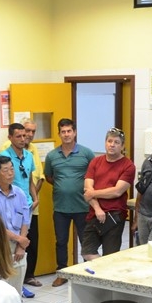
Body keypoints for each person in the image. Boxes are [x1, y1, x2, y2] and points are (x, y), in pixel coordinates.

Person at [44, 118, 94, 287]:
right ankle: (62, 273)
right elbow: (49, 177)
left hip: (82, 206)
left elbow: (94, 176)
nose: (66, 134)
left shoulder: (86, 153)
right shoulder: (52, 156)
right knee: (61, 241)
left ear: (75, 132)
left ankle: (87, 273)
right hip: (60, 207)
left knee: (86, 241)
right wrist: (64, 187)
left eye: (69, 131)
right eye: (63, 131)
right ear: (59, 134)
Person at [0, 156, 31, 297]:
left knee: (16, 290)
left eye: (12, 169)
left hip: (19, 245)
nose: (10, 173)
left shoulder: (19, 193)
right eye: (5, 170)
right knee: (1, 290)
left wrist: (21, 245)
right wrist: (20, 239)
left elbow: (25, 220)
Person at [82, 128, 135, 260]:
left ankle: (107, 275)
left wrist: (93, 193)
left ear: (122, 146)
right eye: (109, 141)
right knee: (87, 252)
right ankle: (102, 270)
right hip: (95, 213)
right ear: (105, 143)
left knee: (110, 256)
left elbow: (117, 191)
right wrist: (97, 208)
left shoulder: (128, 166)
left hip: (114, 217)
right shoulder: (95, 161)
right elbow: (87, 189)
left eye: (116, 142)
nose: (112, 144)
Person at [0, 123, 41, 287]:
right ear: (10, 138)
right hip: (12, 206)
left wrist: (35, 197)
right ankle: (14, 282)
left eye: (25, 136)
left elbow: (29, 179)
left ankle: (27, 276)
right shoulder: (4, 157)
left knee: (30, 241)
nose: (23, 139)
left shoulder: (29, 155)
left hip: (28, 205)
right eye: (19, 136)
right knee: (14, 244)